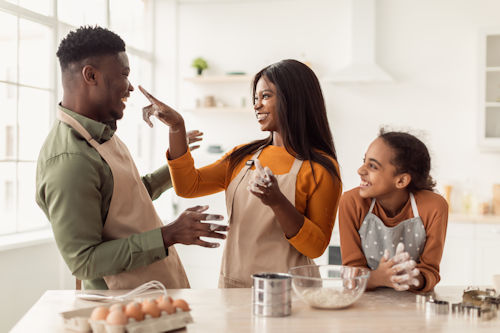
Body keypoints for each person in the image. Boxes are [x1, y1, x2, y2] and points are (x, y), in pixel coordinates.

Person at [35, 26, 228, 290]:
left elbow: (128, 198)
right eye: (124, 75)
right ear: (91, 75)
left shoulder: (101, 134)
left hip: (151, 295)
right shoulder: (71, 161)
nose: (130, 87)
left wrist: (178, 159)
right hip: (121, 307)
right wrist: (169, 234)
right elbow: (83, 262)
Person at [139, 59, 342, 288]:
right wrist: (177, 127)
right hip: (234, 286)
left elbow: (315, 247)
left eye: (265, 96)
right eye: (256, 99)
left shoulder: (320, 169)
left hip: (291, 293)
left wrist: (277, 202)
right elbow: (188, 186)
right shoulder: (242, 157)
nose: (256, 106)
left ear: (293, 98)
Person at [339, 129, 448, 292]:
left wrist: (410, 277)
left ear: (401, 180)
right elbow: (350, 277)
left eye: (372, 166)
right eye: (364, 161)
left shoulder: (434, 207)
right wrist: (379, 277)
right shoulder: (351, 203)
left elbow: (430, 272)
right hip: (365, 304)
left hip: (413, 305)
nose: (360, 170)